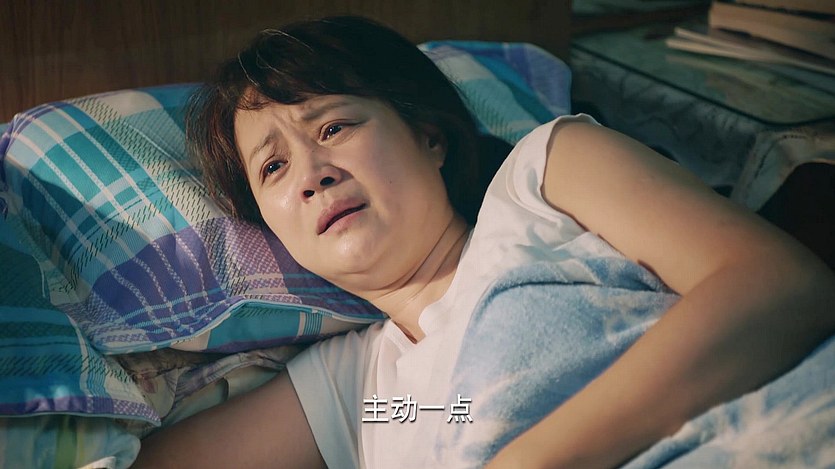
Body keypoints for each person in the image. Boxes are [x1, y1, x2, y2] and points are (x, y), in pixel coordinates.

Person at [134, 16, 835, 468]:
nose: (312, 173)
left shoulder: (545, 178)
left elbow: (779, 283)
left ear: (428, 136)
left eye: (333, 127)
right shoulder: (364, 391)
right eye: (273, 168)